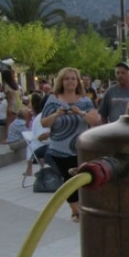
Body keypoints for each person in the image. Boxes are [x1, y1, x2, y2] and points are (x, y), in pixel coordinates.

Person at [40, 67, 101, 221]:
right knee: (69, 180)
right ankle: (77, 212)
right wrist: (56, 114)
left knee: (83, 178)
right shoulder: (53, 100)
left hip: (80, 148)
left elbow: (95, 120)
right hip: (60, 149)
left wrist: (80, 112)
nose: (70, 81)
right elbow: (44, 123)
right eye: (67, 78)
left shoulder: (85, 101)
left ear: (78, 81)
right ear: (61, 81)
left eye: (73, 78)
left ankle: (82, 210)